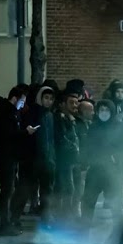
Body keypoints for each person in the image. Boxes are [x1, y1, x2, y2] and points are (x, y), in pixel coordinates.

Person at [12, 85, 56, 227]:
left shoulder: (50, 115)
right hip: (32, 160)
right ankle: (14, 217)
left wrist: (51, 158)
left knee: (46, 191)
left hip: (46, 161)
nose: (48, 101)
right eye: (46, 98)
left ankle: (46, 217)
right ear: (40, 98)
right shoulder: (32, 113)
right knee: (24, 190)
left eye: (51, 99)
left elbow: (51, 139)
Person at [0, 84, 32, 236]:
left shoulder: (11, 112)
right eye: (22, 100)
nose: (23, 104)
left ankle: (7, 222)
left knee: (10, 190)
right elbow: (7, 135)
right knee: (7, 191)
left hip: (9, 157)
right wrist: (25, 132)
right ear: (14, 98)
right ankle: (4, 224)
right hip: (5, 158)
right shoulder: (5, 112)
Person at [80, 99, 123, 225]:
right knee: (88, 201)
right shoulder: (93, 126)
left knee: (115, 204)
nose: (104, 113)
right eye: (101, 110)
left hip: (113, 171)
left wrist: (116, 156)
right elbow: (87, 146)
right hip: (95, 170)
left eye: (107, 110)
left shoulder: (119, 127)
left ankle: (117, 233)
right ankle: (84, 228)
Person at [54, 91, 82, 221]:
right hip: (65, 160)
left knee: (73, 187)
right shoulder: (60, 119)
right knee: (67, 188)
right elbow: (62, 139)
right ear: (63, 104)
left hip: (73, 159)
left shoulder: (73, 119)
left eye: (76, 103)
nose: (75, 105)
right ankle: (64, 216)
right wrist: (74, 148)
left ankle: (67, 215)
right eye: (71, 103)